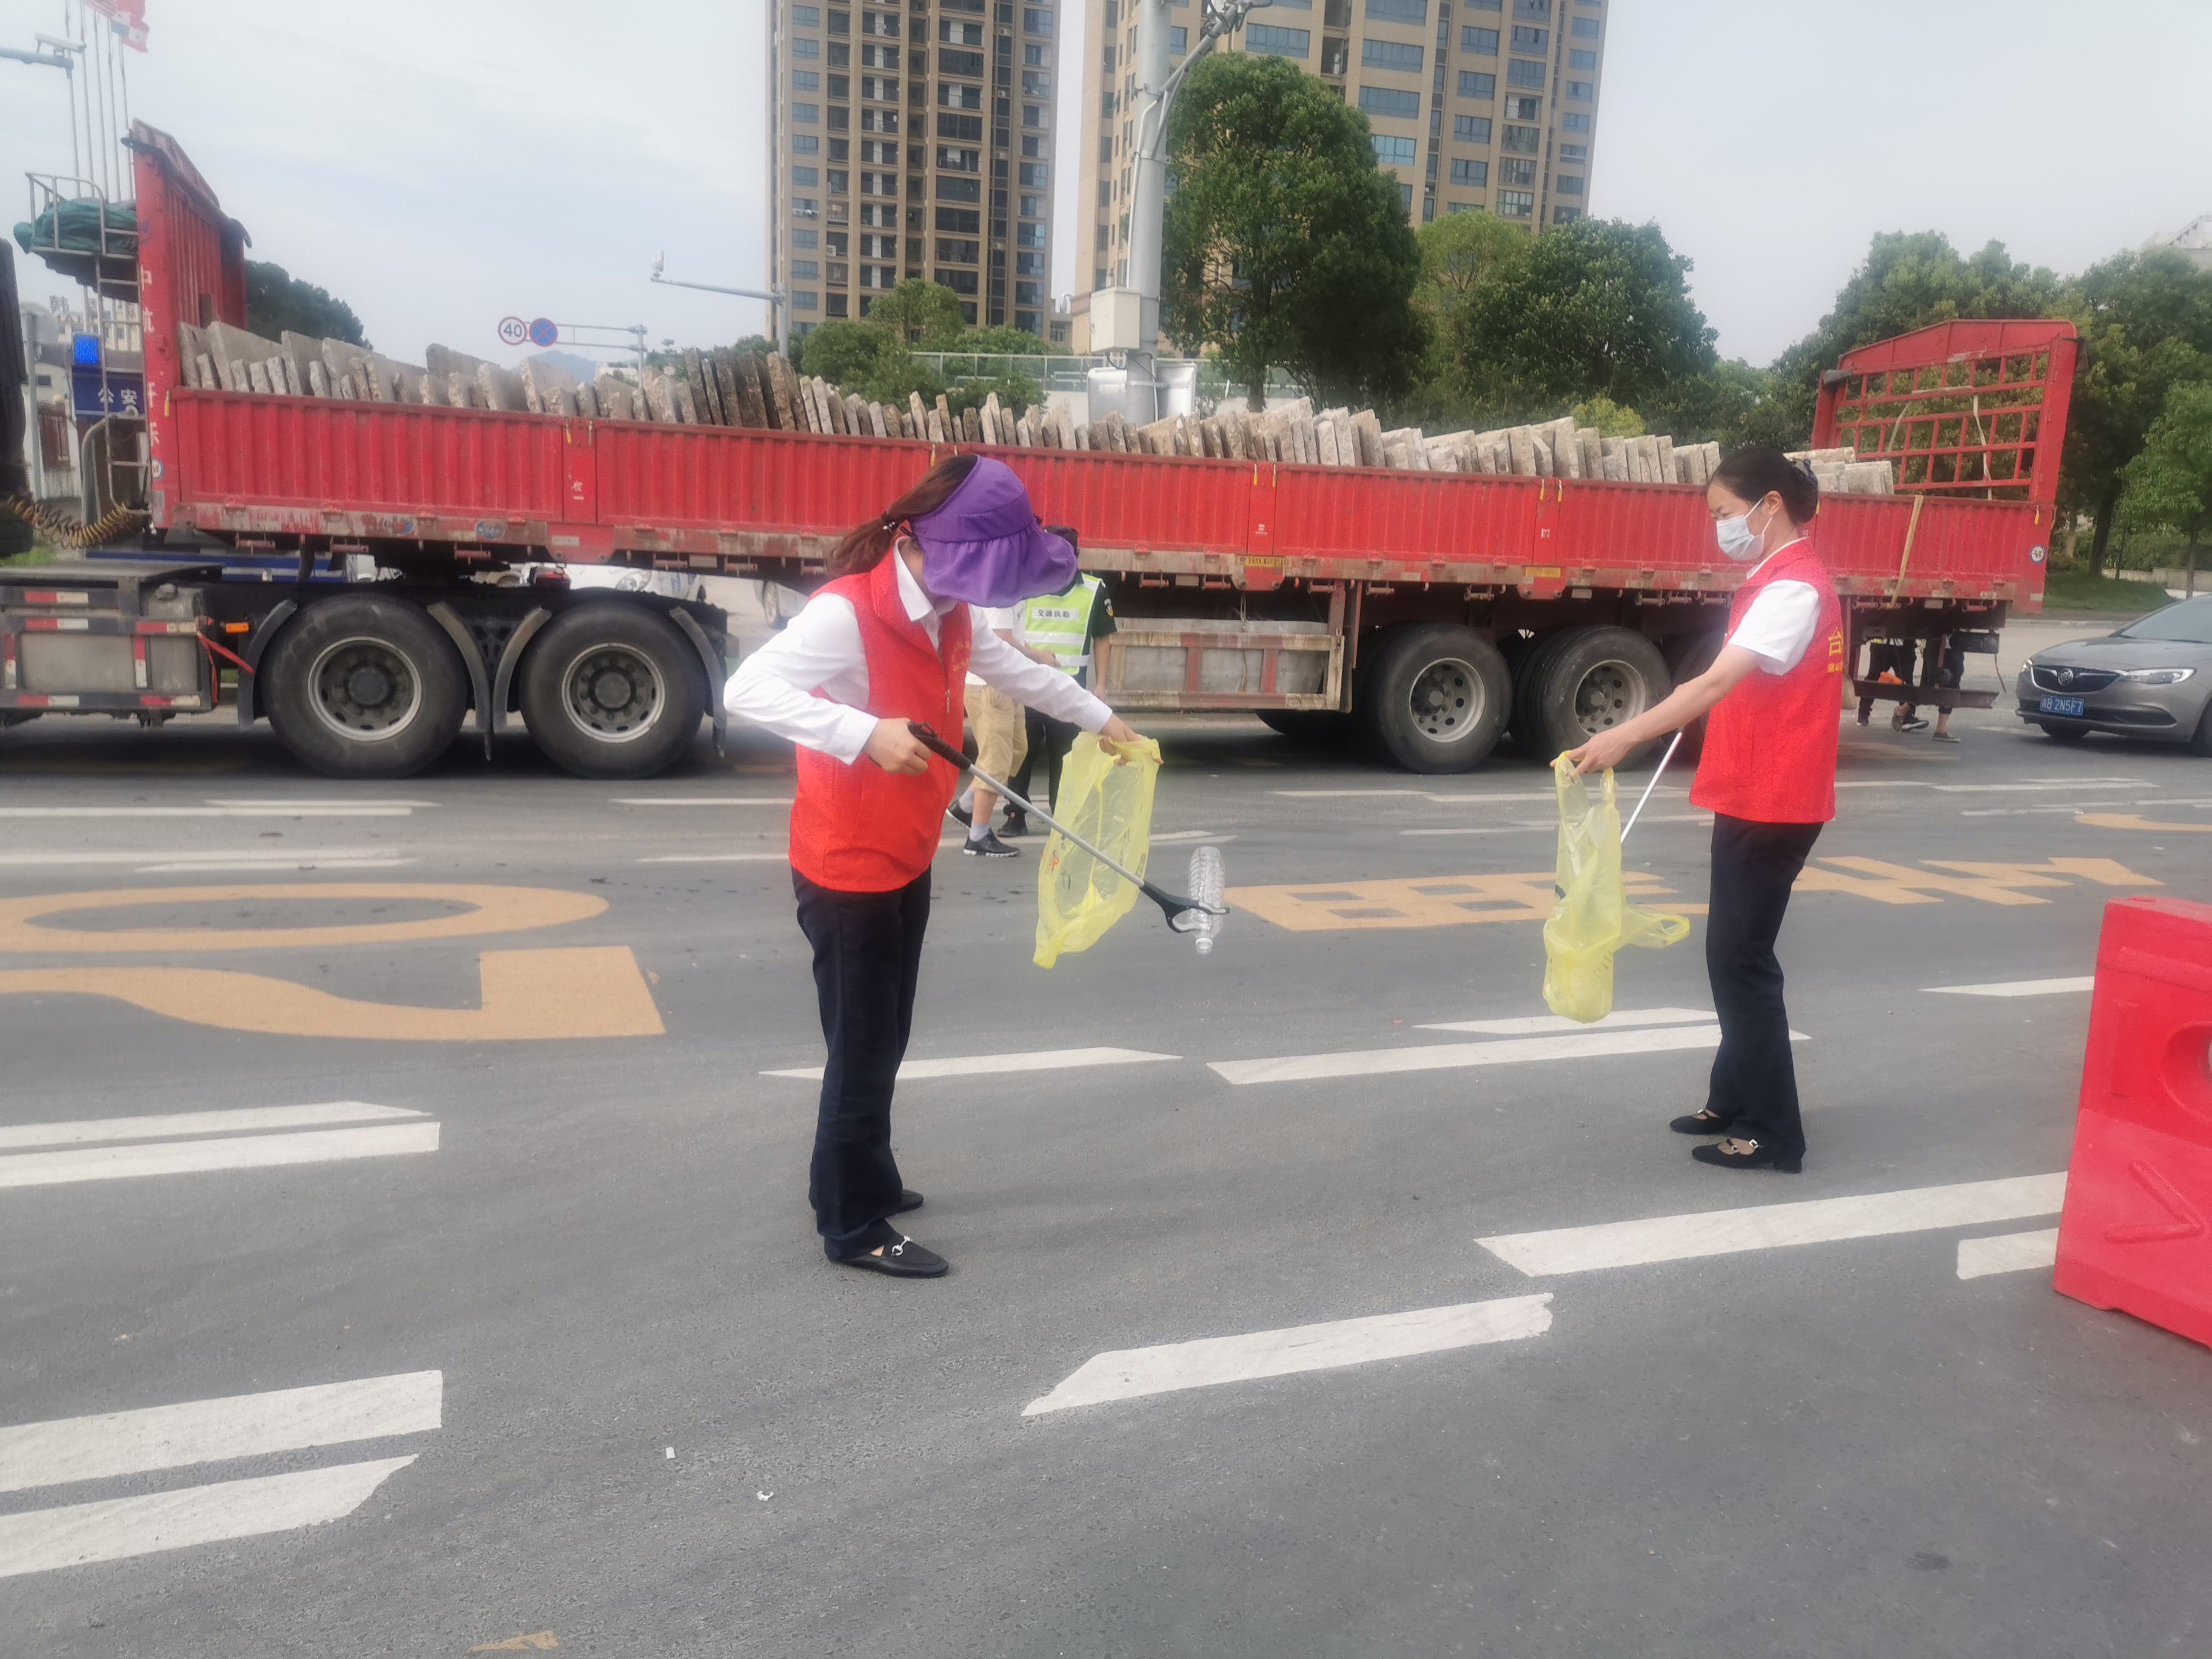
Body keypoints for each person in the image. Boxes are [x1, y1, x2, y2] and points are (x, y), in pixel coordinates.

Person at [725, 455, 1142, 1275]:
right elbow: (746, 691)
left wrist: (1103, 719)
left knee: (885, 1032)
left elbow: (1019, 672)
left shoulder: (952, 611)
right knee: (862, 1046)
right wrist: (863, 733)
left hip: (904, 852)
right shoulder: (845, 615)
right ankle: (852, 1223)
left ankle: (860, 1177)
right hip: (848, 867)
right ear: (921, 543)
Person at [1566, 446, 1843, 1174]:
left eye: (1725, 513)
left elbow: (1714, 684)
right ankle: (1731, 1098)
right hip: (1756, 792)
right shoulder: (1778, 580)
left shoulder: (1794, 590)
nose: (1720, 526)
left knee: (1741, 962)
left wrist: (1623, 735)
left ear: (1770, 505)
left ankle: (1772, 1132)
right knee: (1732, 957)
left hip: (1773, 801)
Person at [1005, 569, 1116, 830]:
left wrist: (1101, 685)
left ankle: (1062, 818)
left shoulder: (1093, 590)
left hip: (1069, 690)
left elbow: (1102, 638)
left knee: (1064, 756)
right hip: (1028, 684)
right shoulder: (1025, 584)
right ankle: (1015, 815)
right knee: (1021, 753)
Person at [956, 606, 1033, 857]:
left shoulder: (1014, 592)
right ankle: (977, 836)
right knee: (996, 762)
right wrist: (1037, 656)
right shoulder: (1001, 595)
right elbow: (1003, 638)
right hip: (991, 686)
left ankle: (966, 805)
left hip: (1006, 682)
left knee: (1017, 750)